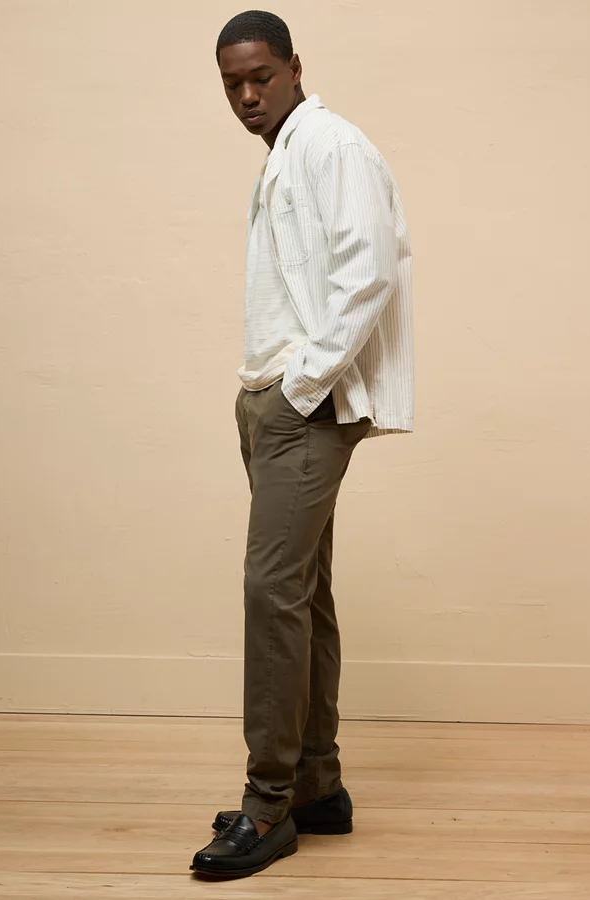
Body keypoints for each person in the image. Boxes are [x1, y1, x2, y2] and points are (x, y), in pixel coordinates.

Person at [190, 9, 414, 878]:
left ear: (293, 67)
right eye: (232, 84)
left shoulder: (331, 146)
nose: (247, 95)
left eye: (260, 77)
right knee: (303, 593)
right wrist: (265, 390)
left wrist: (299, 387)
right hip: (275, 400)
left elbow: (370, 271)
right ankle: (317, 787)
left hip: (303, 407)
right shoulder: (286, 150)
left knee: (271, 591)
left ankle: (267, 806)